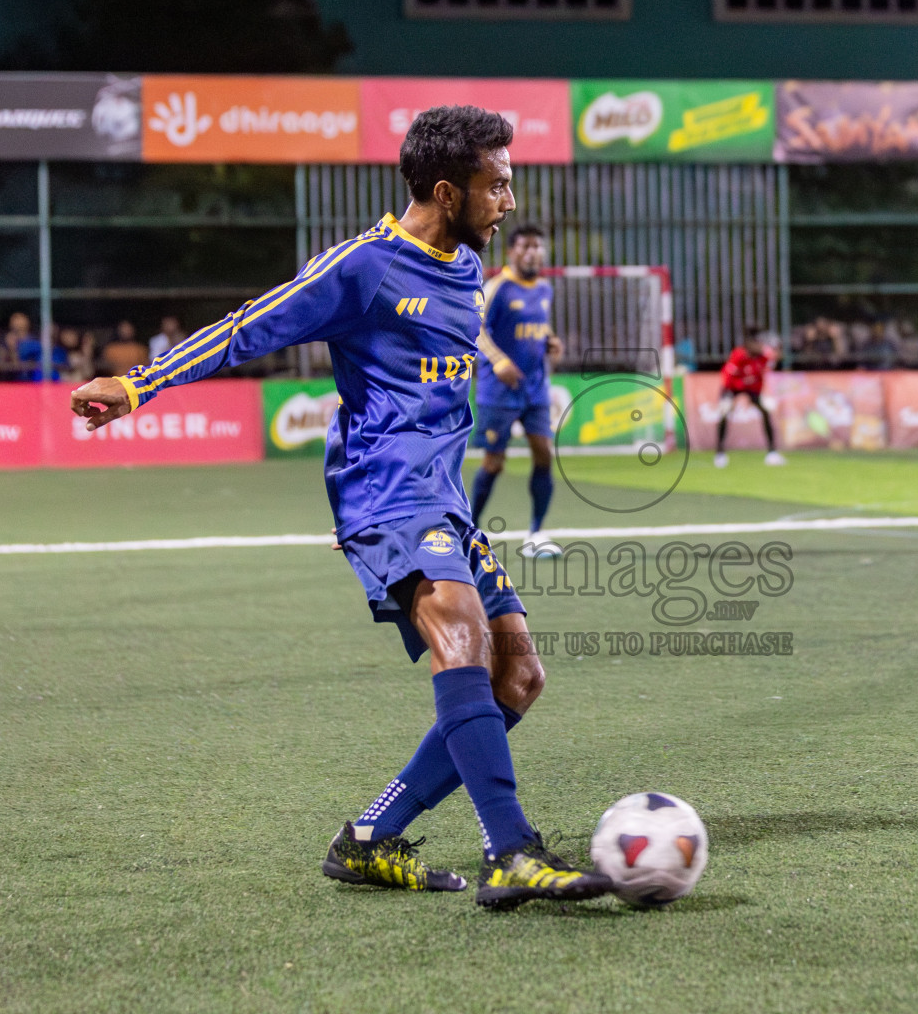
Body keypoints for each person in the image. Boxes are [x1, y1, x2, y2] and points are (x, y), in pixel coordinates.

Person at [68, 105, 613, 911]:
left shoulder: (466, 266)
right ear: (444, 189)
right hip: (389, 494)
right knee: (460, 635)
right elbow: (246, 328)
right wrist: (137, 385)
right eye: (495, 187)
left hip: (442, 501)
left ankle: (367, 838)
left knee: (520, 675)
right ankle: (513, 854)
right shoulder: (363, 267)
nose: (509, 202)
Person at [469, 224, 564, 559]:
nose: (532, 252)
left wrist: (551, 341)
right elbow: (475, 328)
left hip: (535, 390)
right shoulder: (497, 288)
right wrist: (497, 361)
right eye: (525, 246)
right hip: (499, 392)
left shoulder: (544, 289)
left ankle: (536, 533)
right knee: (494, 462)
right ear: (511, 251)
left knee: (544, 453)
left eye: (537, 246)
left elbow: (538, 327)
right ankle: (468, 531)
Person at [714, 325, 784, 467]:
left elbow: (771, 364)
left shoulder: (763, 357)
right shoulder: (738, 355)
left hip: (753, 390)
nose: (760, 346)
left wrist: (776, 356)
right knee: (724, 412)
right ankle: (720, 453)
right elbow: (728, 377)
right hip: (733, 388)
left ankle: (772, 453)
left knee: (765, 412)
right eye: (757, 343)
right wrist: (727, 397)